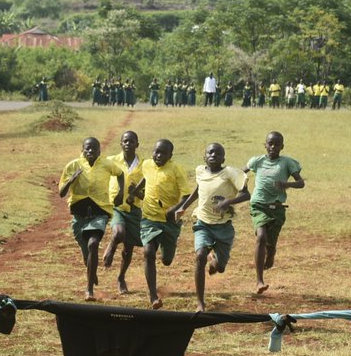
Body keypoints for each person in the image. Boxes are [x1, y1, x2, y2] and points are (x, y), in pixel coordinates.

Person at [211, 132, 304, 296]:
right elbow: (240, 174)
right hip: (258, 205)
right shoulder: (257, 161)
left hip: (277, 209)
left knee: (270, 242)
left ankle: (271, 251)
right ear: (265, 145)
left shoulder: (287, 162)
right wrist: (223, 180)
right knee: (261, 237)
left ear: (282, 146)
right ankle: (259, 280)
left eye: (277, 144)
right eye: (270, 144)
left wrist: (286, 184)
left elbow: (301, 183)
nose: (273, 147)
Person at [174, 142, 248, 312]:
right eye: (210, 152)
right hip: (203, 223)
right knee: (200, 256)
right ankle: (200, 302)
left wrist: (228, 201)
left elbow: (246, 194)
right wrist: (183, 206)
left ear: (223, 158)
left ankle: (216, 262)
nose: (213, 155)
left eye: (217, 153)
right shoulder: (200, 171)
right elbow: (198, 189)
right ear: (204, 156)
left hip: (223, 227)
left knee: (220, 268)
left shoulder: (229, 173)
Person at [58, 137, 125, 301]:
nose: (90, 151)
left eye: (94, 148)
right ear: (82, 149)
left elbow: (120, 173)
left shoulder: (106, 164)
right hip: (79, 217)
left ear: (99, 151)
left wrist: (121, 193)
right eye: (87, 148)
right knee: (87, 253)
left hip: (99, 213)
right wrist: (71, 180)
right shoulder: (73, 165)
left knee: (93, 244)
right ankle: (91, 269)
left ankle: (89, 290)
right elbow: (61, 193)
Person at [128, 139, 192, 309]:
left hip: (170, 222)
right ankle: (153, 295)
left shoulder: (176, 170)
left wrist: (174, 209)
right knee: (148, 252)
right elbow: (145, 179)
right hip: (149, 218)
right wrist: (135, 192)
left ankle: (168, 250)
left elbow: (187, 196)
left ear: (170, 155)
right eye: (156, 151)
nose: (158, 155)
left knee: (166, 260)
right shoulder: (147, 165)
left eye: (163, 153)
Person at [102, 129, 143, 296]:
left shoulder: (144, 164)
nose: (128, 144)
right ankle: (111, 247)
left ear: (137, 144)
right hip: (116, 206)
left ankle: (121, 277)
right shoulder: (111, 161)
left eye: (131, 141)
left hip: (135, 209)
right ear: (121, 143)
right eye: (125, 141)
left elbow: (146, 191)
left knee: (128, 248)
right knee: (119, 232)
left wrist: (137, 192)